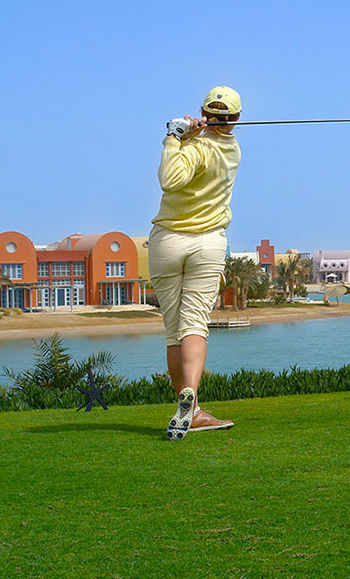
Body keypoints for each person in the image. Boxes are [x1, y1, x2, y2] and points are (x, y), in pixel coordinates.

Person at [150, 86, 242, 440]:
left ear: (203, 113)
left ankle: (188, 403)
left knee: (174, 330)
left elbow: (170, 179)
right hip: (208, 244)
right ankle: (192, 398)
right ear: (236, 119)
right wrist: (190, 136)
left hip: (167, 242)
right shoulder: (232, 150)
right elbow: (201, 155)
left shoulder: (194, 147)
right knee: (194, 326)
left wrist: (174, 137)